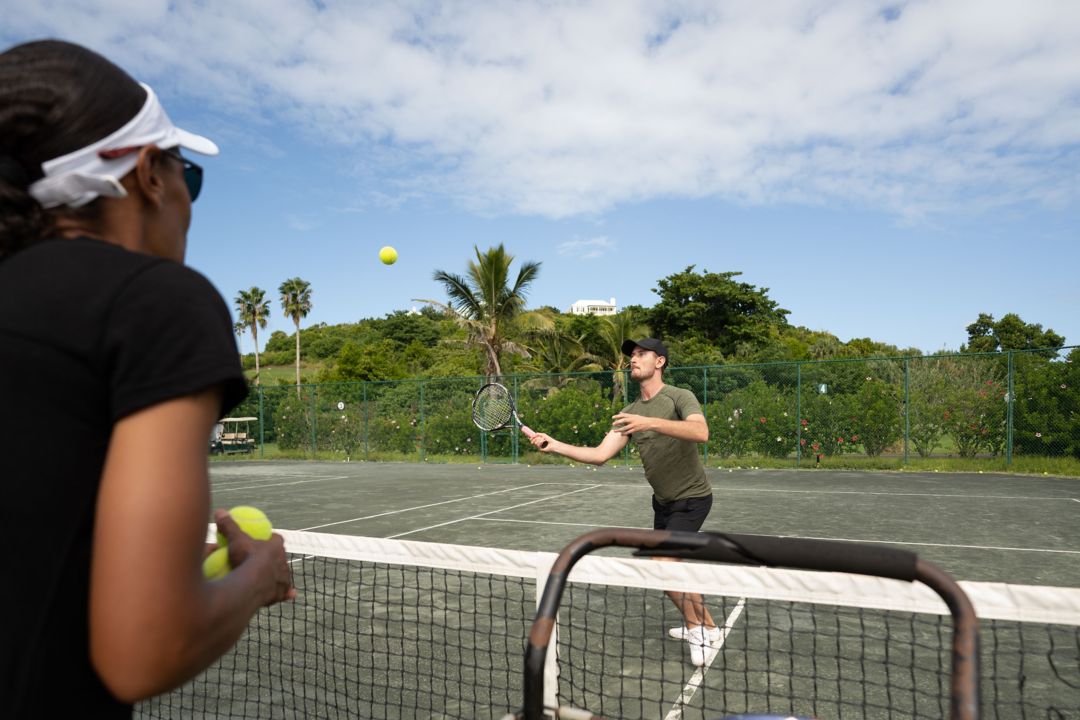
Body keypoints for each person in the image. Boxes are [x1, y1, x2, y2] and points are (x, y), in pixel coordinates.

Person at [0, 40, 295, 718]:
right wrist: (259, 576)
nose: (189, 200)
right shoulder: (157, 303)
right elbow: (144, 650)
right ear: (146, 176)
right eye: (187, 175)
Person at [528, 337, 719, 666]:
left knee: (663, 564)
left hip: (693, 498)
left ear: (659, 362)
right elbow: (599, 455)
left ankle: (697, 629)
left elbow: (700, 432)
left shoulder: (679, 396)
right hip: (664, 503)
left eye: (642, 354)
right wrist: (554, 444)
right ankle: (710, 627)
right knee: (667, 567)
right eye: (632, 355)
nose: (634, 359)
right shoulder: (629, 412)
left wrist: (650, 423)